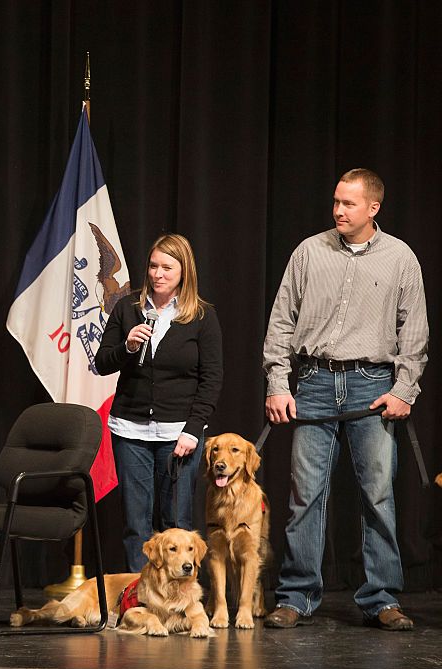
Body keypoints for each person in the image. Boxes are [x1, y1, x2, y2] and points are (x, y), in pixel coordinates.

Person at [263, 168, 427, 631]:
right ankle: (296, 595)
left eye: (348, 203)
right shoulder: (309, 252)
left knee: (377, 495)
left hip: (372, 384)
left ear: (373, 207)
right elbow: (280, 322)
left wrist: (403, 389)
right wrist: (278, 383)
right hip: (314, 381)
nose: (338, 210)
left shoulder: (400, 258)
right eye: (336, 201)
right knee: (304, 497)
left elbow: (413, 332)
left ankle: (381, 598)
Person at [96, 233, 223, 571]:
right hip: (130, 431)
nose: (158, 274)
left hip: (179, 434)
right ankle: (139, 599)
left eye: (167, 267)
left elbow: (211, 380)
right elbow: (101, 362)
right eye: (153, 266)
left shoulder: (201, 316)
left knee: (176, 522)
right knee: (136, 524)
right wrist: (127, 347)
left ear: (184, 271)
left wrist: (193, 430)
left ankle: (177, 603)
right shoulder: (128, 307)